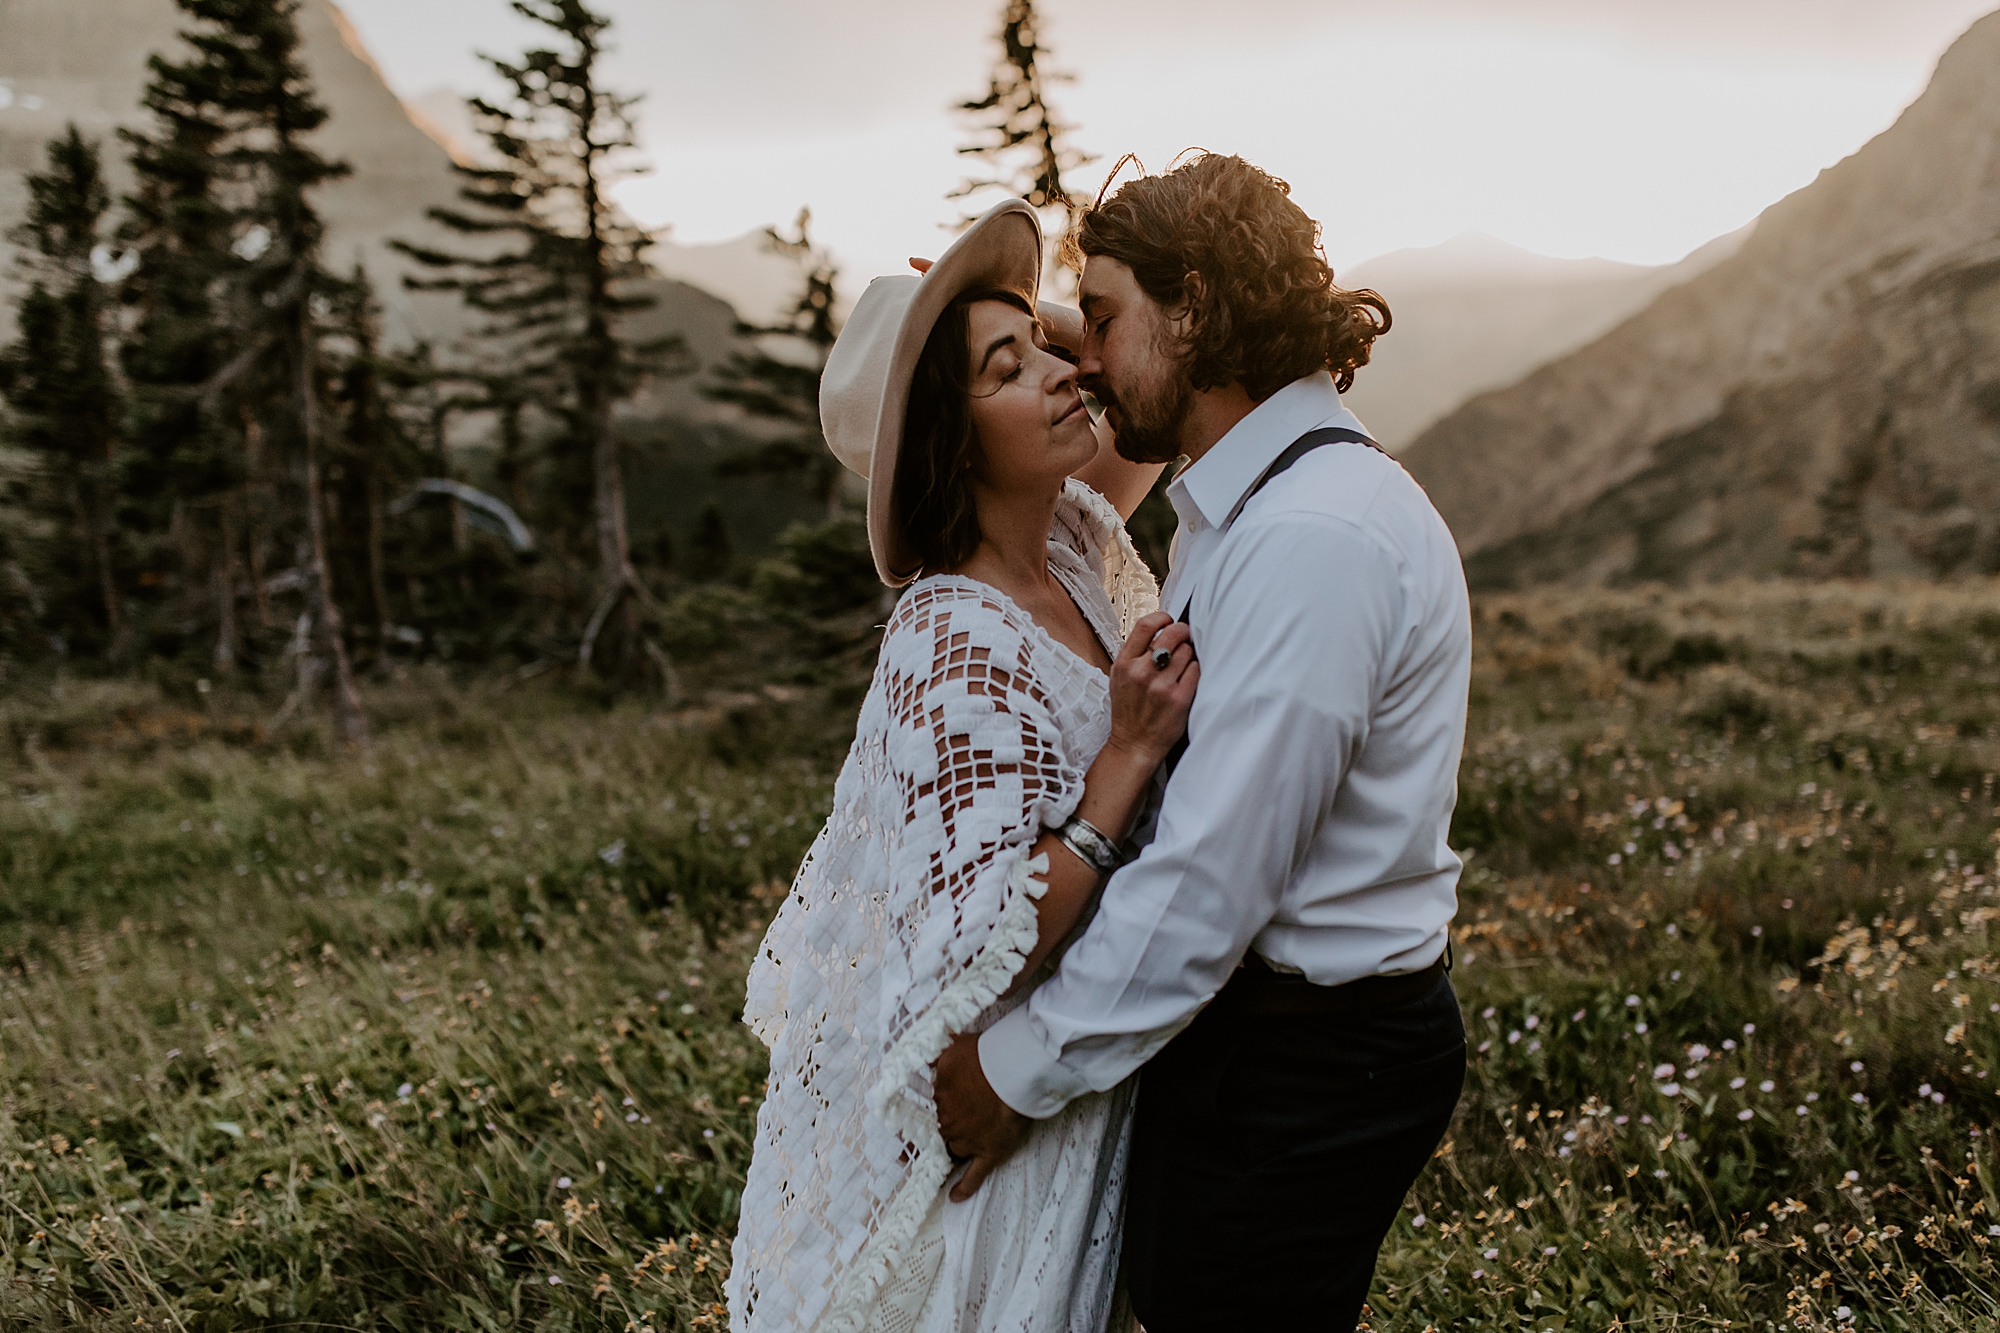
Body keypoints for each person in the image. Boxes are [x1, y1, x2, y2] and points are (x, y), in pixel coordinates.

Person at [931, 153, 1473, 1332]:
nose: (1082, 356)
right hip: (1257, 1030)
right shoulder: (1257, 494)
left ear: (1194, 308)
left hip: (1313, 1058)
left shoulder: (1314, 539)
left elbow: (1212, 879)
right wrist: (1019, 328)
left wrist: (1015, 1070)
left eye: (1105, 319)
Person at [728, 198, 1190, 1333]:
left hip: (1088, 1062)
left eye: (1038, 341)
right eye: (1003, 368)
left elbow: (1131, 404)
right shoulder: (950, 640)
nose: (1052, 370)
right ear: (952, 440)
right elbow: (974, 946)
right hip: (1007, 1111)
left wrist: (1026, 323)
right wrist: (1124, 762)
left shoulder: (1069, 539)